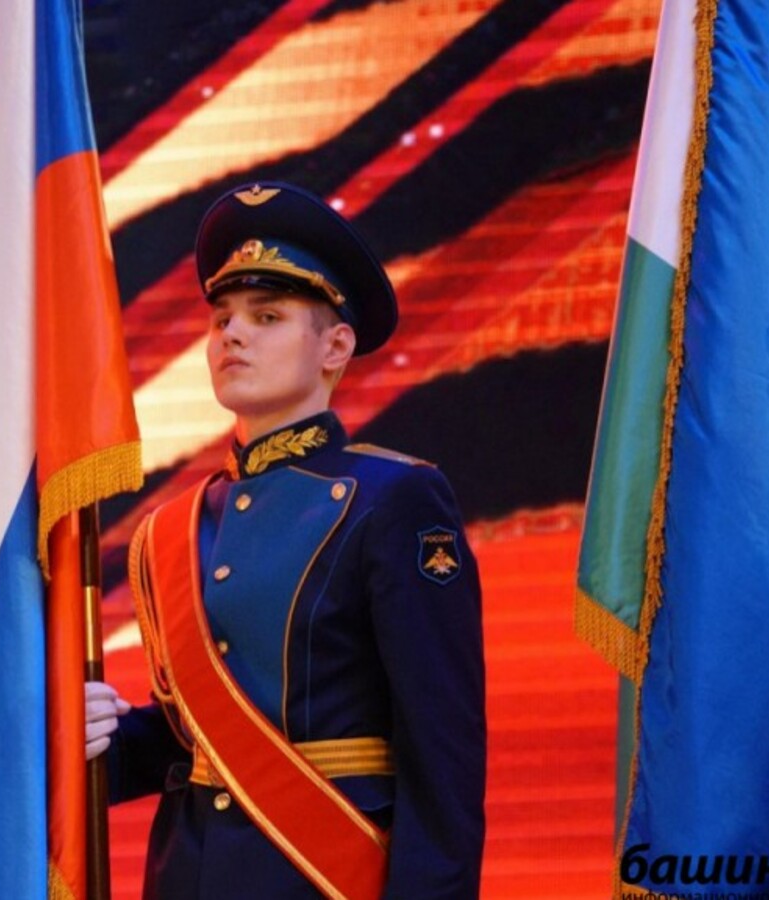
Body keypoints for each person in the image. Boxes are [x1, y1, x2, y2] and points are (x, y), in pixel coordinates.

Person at [85, 182, 486, 898]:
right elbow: (195, 736)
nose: (232, 335)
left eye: (266, 316)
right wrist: (98, 742)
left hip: (325, 877)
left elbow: (442, 755)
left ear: (335, 346)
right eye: (221, 319)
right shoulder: (168, 530)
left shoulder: (394, 498)